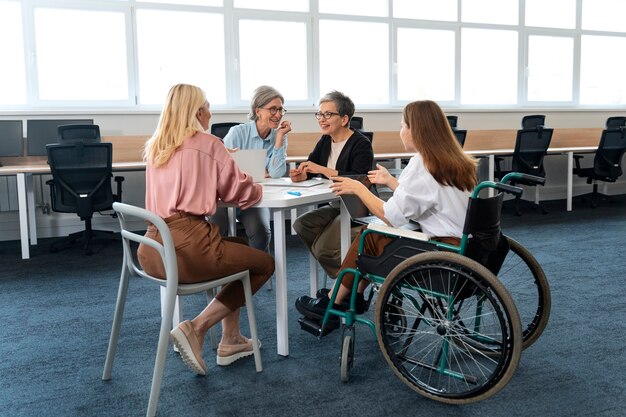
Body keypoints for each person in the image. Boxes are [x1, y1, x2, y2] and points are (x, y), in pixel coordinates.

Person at [295, 100, 478, 330]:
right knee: (377, 236)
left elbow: (391, 216)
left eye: (403, 125)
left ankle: (333, 300)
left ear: (416, 130)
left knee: (370, 235)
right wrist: (391, 182)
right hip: (469, 248)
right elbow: (424, 197)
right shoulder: (456, 160)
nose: (400, 131)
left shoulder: (422, 163)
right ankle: (349, 295)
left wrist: (358, 188)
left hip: (442, 253)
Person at [138, 83, 274, 375]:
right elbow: (242, 193)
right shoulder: (209, 143)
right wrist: (252, 180)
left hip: (153, 249)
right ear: (198, 111)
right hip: (188, 248)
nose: (210, 112)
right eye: (208, 107)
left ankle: (231, 339)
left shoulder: (156, 146)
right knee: (263, 264)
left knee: (240, 246)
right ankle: (196, 328)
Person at [291, 90, 373, 285]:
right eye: (319, 114)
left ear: (344, 119)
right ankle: (350, 280)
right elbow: (311, 167)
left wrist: (323, 169)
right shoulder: (325, 140)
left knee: (323, 249)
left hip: (354, 207)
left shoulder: (361, 143)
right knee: (301, 225)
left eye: (328, 114)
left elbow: (356, 179)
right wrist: (301, 175)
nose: (321, 119)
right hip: (335, 204)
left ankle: (344, 287)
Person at [208, 85, 291, 252]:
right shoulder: (237, 133)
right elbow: (222, 169)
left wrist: (280, 138)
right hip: (226, 196)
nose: (278, 115)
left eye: (281, 109)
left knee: (261, 232)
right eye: (273, 109)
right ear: (258, 111)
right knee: (216, 230)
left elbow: (276, 173)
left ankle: (255, 272)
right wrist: (259, 173)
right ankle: (225, 273)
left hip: (253, 197)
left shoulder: (279, 136)